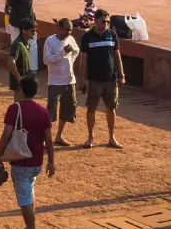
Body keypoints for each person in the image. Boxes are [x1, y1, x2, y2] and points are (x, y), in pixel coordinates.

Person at [0, 75, 56, 229]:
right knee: (30, 190)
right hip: (37, 162)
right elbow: (48, 140)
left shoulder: (15, 108)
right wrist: (51, 162)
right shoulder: (42, 111)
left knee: (24, 198)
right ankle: (30, 225)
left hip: (21, 161)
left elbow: (6, 134)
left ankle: (31, 227)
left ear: (21, 89)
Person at [78, 11, 121, 149]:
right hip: (94, 80)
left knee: (111, 109)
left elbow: (117, 56)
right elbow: (83, 60)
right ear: (95, 21)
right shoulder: (87, 37)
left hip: (110, 79)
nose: (106, 24)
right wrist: (83, 79)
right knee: (91, 109)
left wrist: (122, 74)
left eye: (108, 22)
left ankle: (111, 137)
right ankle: (90, 137)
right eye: (104, 21)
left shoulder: (112, 35)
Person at [41, 17, 79, 147]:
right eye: (66, 30)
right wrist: (62, 53)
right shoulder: (50, 41)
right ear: (59, 28)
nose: (68, 33)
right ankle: (47, 138)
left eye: (70, 30)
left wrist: (70, 61)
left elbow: (76, 51)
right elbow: (46, 60)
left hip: (69, 80)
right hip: (55, 82)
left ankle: (58, 136)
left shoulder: (71, 39)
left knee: (67, 109)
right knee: (51, 109)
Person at [7, 18, 39, 101]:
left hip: (25, 83)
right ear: (24, 31)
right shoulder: (18, 44)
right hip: (20, 85)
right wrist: (19, 79)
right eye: (32, 31)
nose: (34, 33)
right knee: (19, 107)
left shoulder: (26, 43)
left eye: (35, 30)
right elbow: (10, 62)